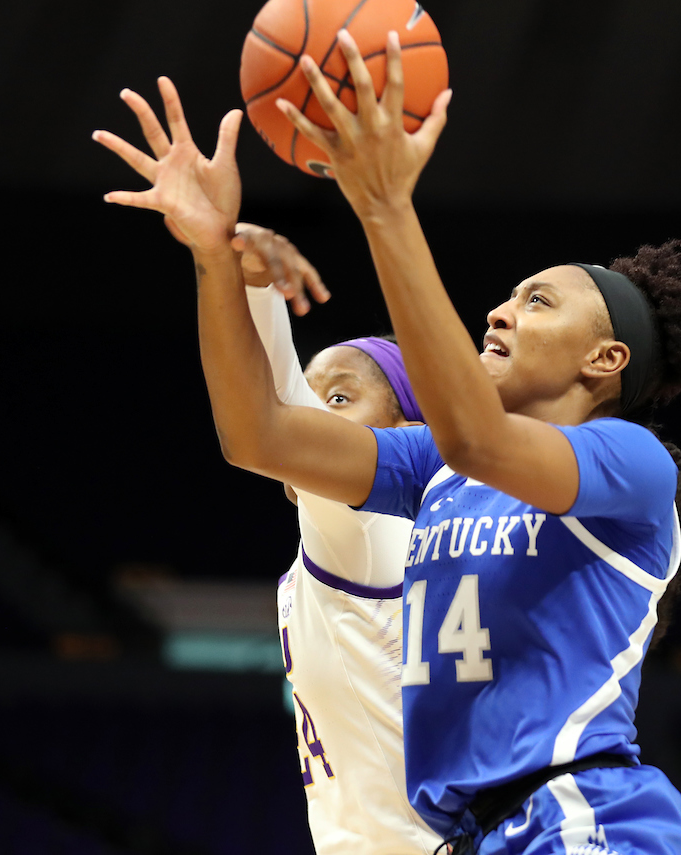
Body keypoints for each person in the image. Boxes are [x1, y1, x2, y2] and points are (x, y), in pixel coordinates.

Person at [94, 23, 681, 854]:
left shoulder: (633, 464)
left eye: (538, 302)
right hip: (482, 834)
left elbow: (476, 439)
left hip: (586, 816)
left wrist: (384, 205)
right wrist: (213, 256)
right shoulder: (440, 470)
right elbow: (260, 435)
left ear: (605, 359)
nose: (499, 312)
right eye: (509, 296)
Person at [94, 90, 441, 855]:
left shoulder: (369, 528)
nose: (310, 413)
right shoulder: (376, 544)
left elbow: (272, 409)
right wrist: (230, 259)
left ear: (405, 433)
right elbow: (276, 399)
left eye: (339, 398)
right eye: (314, 396)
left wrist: (227, 261)